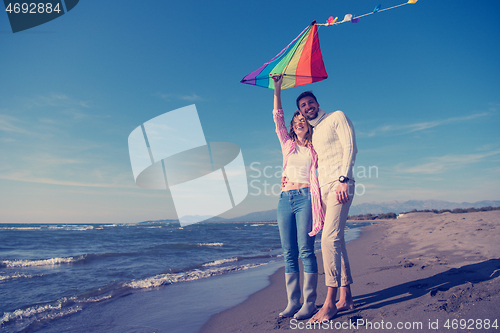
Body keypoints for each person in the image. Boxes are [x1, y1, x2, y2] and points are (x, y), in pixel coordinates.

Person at [295, 90, 358, 323]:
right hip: (323, 190)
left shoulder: (336, 117)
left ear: (317, 103)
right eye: (303, 105)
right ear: (300, 111)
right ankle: (346, 297)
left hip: (340, 185)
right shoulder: (313, 132)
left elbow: (350, 148)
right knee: (337, 240)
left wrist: (344, 179)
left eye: (310, 102)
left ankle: (330, 303)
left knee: (328, 240)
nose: (308, 106)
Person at [272, 75, 325, 320]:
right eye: (296, 120)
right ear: (292, 126)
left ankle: (309, 302)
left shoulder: (315, 147)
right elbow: (277, 117)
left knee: (306, 250)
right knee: (288, 252)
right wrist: (277, 88)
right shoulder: (287, 144)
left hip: (306, 197)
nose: (299, 121)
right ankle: (293, 302)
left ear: (309, 123)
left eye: (303, 119)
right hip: (285, 198)